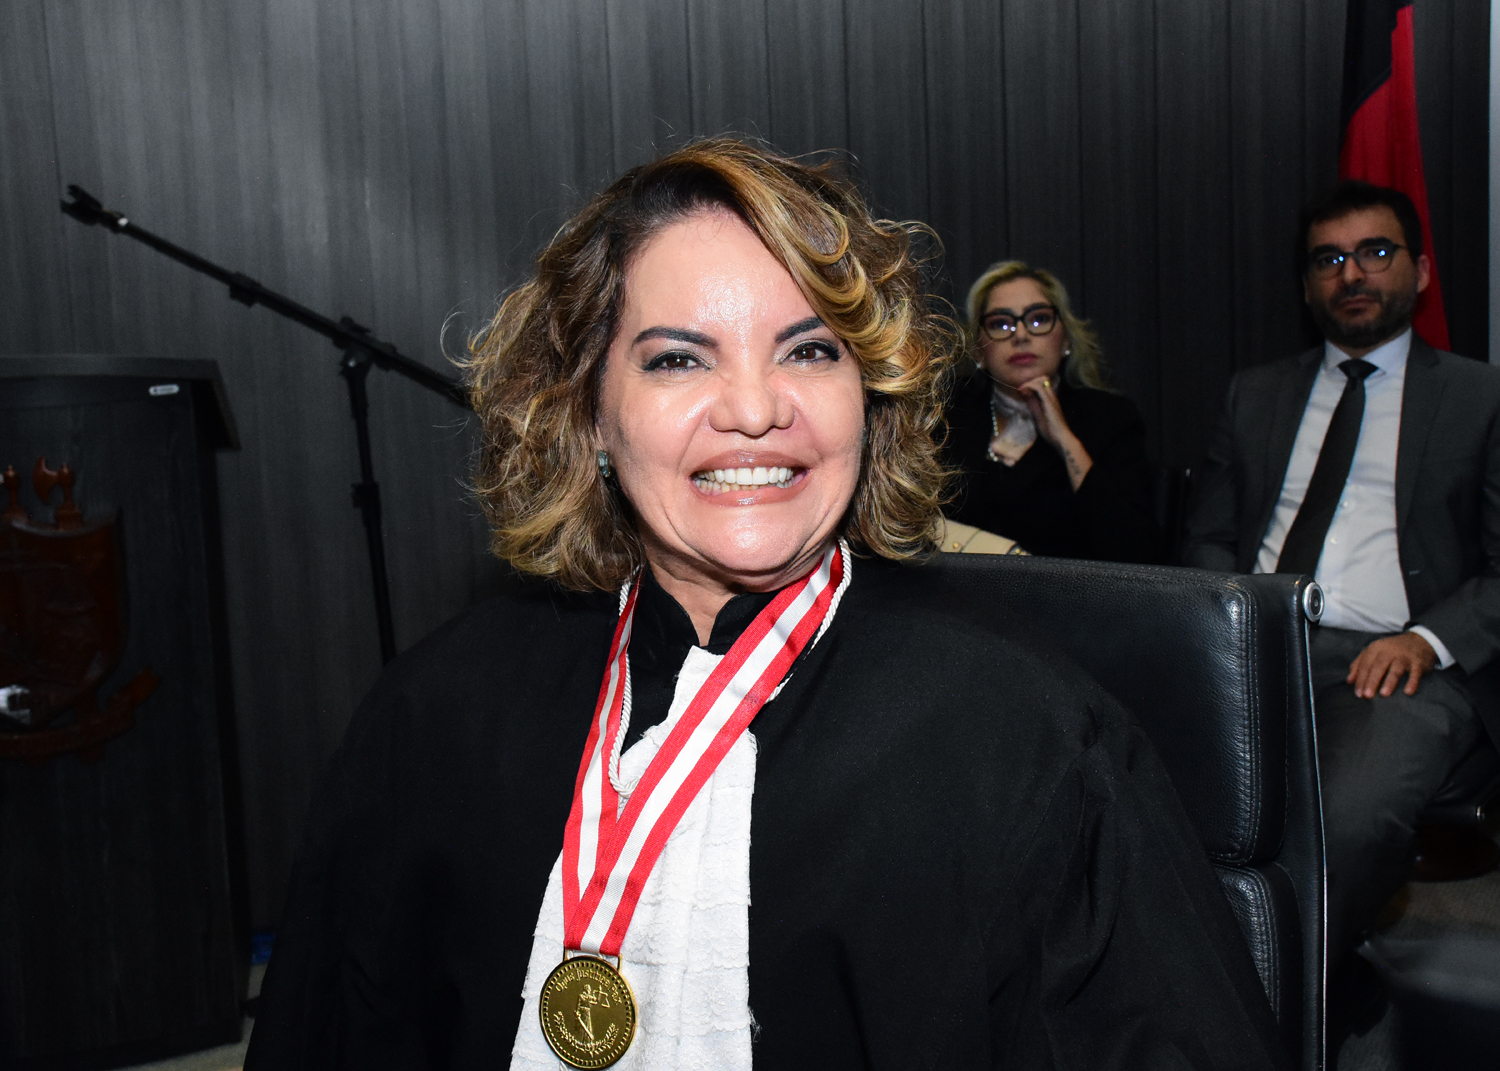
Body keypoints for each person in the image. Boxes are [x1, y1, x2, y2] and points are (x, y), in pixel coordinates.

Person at [246, 139, 1284, 1070]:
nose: (753, 410)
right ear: (589, 412)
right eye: (678, 358)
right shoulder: (431, 722)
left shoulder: (1033, 742)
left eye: (809, 349)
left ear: (867, 397)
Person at [1183, 180, 1500, 1008]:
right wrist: (1230, 619)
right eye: (1328, 259)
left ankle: (1273, 1001)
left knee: (1347, 817)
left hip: (1400, 661)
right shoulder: (1255, 393)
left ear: (1420, 272)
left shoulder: (1481, 397)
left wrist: (1427, 639)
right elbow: (1208, 536)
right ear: (1306, 285)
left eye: (1374, 252)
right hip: (1255, 645)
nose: (1351, 273)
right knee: (1150, 783)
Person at [942, 261, 1162, 562]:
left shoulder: (1110, 418)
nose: (1021, 335)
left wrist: (1065, 441)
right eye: (1001, 324)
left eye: (1039, 319)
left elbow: (1137, 553)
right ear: (980, 349)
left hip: (1071, 591)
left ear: (1066, 339)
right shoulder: (947, 415)